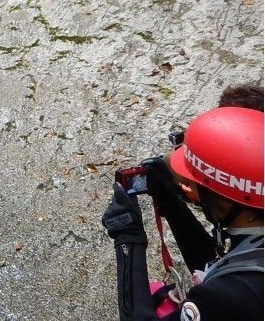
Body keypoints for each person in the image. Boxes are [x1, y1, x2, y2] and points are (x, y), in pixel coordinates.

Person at [102, 101, 263, 321]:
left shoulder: (227, 296)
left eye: (197, 186)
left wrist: (127, 236)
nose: (190, 189)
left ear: (227, 202)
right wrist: (169, 199)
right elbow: (219, 265)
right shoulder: (251, 251)